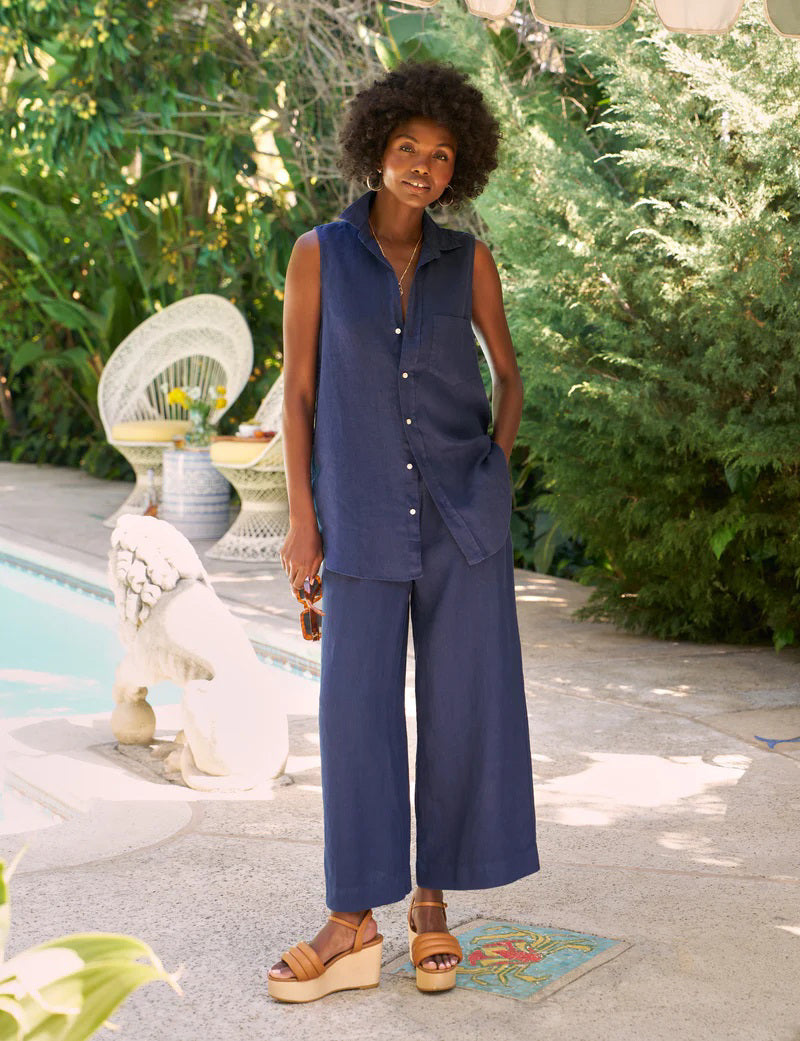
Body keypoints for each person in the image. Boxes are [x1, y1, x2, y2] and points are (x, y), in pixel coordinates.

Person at [268, 59, 539, 1003]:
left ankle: (431, 906)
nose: (422, 167)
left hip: (464, 527)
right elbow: (297, 398)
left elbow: (509, 375)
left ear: (456, 171)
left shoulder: (468, 262)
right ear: (375, 151)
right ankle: (352, 918)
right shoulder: (317, 254)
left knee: (463, 715)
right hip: (361, 520)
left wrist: (493, 474)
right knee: (355, 719)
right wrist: (305, 522)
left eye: (441, 156)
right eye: (407, 150)